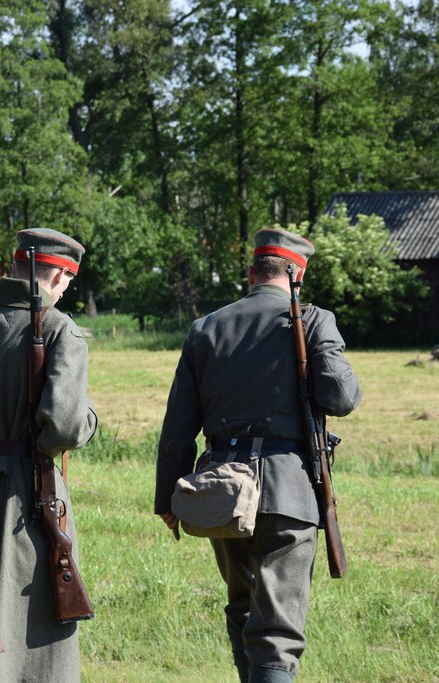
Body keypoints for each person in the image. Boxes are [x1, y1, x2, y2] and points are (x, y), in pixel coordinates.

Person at [154, 228, 362, 683]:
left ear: (251, 274)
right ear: (298, 275)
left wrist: (165, 499)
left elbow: (177, 428)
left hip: (221, 490)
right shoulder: (312, 319)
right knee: (276, 633)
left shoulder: (206, 327)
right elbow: (342, 398)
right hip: (289, 491)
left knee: (243, 608)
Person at [0, 228, 98, 683]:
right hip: (28, 492)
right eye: (67, 281)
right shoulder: (58, 327)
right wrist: (89, 419)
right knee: (25, 624)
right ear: (58, 275)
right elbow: (65, 427)